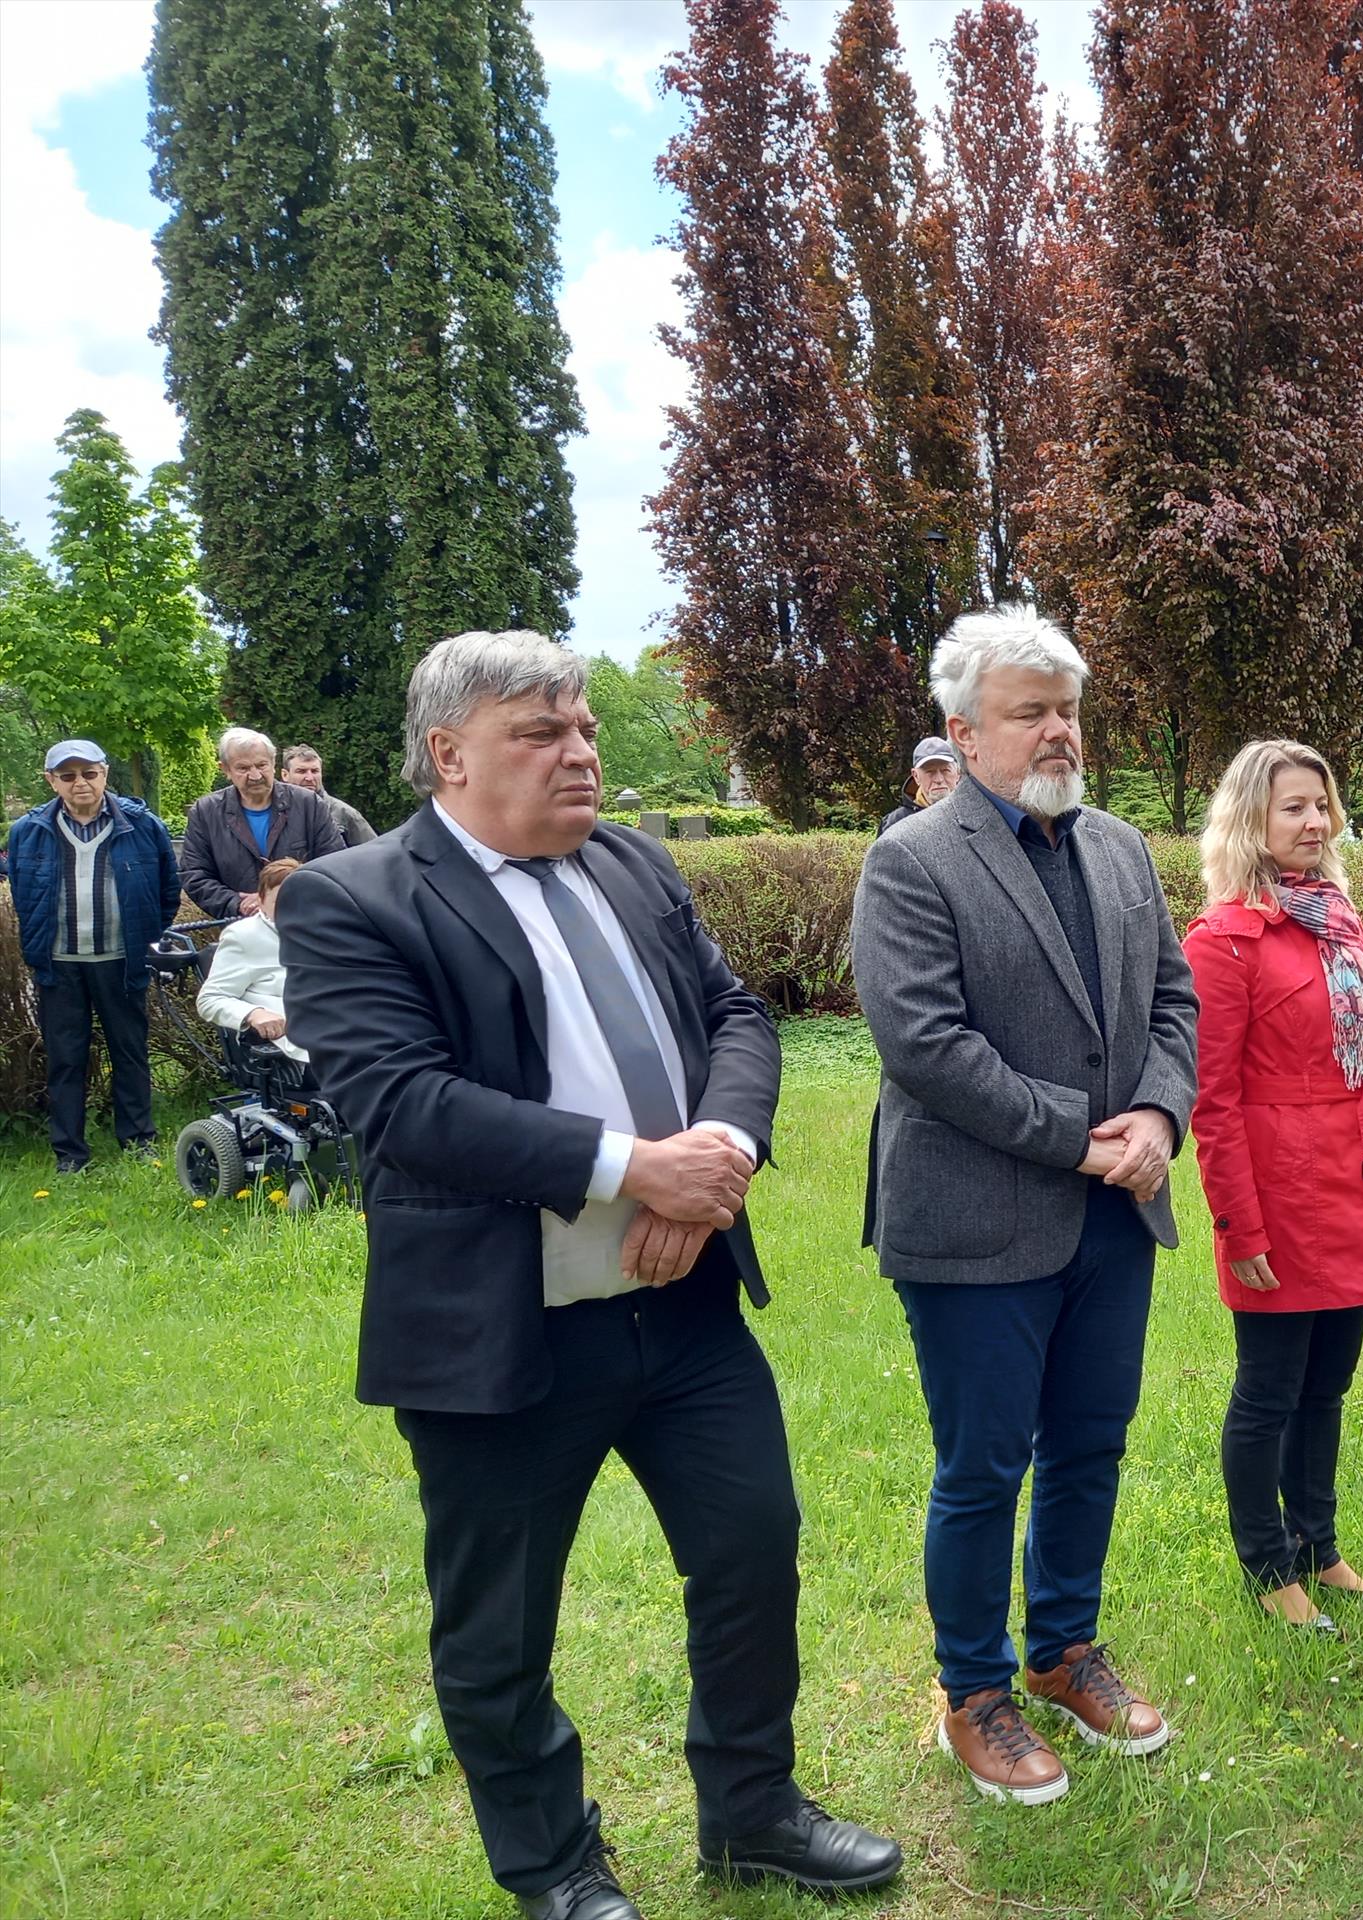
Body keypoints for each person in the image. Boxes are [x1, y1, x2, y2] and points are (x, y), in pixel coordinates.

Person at [281, 631, 899, 1920]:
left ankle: (753, 1814)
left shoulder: (630, 861)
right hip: (503, 1333)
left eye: (585, 730)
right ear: (449, 754)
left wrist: (719, 1156)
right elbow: (403, 1104)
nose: (580, 754)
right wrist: (636, 1170)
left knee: (751, 1553)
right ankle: (554, 1866)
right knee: (500, 1625)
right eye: (540, 733)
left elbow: (734, 1017)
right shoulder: (356, 898)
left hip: (685, 1305)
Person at [851, 604, 1198, 1806]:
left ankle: (1062, 1651)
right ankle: (974, 1693)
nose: (1058, 732)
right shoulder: (912, 859)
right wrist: (1082, 1141)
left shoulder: (1120, 849)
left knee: (1091, 1443)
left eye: (1068, 711)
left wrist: (1157, 1119)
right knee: (984, 1465)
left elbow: (1173, 1002)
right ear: (963, 731)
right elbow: (925, 1045)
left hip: (1114, 1213)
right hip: (975, 1218)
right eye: (1029, 713)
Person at [1183, 740, 1363, 1634]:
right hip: (1281, 1201)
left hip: (1355, 1185)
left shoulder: (1336, 920)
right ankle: (1268, 1567)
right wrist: (1238, 1226)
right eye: (1293, 807)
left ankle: (1319, 1548)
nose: (1315, 822)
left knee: (1327, 1387)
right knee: (1269, 1392)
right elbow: (1212, 1101)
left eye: (1321, 804)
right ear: (1250, 819)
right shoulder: (1222, 942)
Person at [3, 739, 183, 1173]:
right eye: (68, 776)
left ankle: (138, 1141)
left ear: (104, 774)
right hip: (59, 963)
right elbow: (25, 896)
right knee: (66, 1058)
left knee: (130, 1052)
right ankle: (69, 1152)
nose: (80, 783)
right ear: (51, 781)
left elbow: (167, 891)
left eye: (89, 773)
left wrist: (144, 938)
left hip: (122, 960)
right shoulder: (28, 830)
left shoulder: (143, 825)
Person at [180, 727, 346, 918]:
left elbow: (334, 863)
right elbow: (195, 874)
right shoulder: (206, 812)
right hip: (241, 925)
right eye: (243, 768)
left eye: (261, 765)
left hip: (304, 920)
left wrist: (282, 898)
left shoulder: (309, 804)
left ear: (274, 763)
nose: (255, 776)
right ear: (225, 769)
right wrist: (237, 903)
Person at [196, 856, 309, 1063]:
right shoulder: (244, 936)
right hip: (297, 1042)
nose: (290, 908)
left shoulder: (327, 932)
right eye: (280, 902)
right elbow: (210, 999)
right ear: (261, 901)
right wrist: (254, 1013)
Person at [281, 743, 378, 847]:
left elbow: (374, 851)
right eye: (301, 771)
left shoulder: (344, 813)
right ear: (285, 775)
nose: (309, 778)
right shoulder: (274, 812)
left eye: (314, 771)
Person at [877, 736, 959, 832]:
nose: (939, 779)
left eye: (945, 770)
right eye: (930, 772)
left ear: (958, 773)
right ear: (916, 776)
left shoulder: (971, 814)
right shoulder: (894, 824)